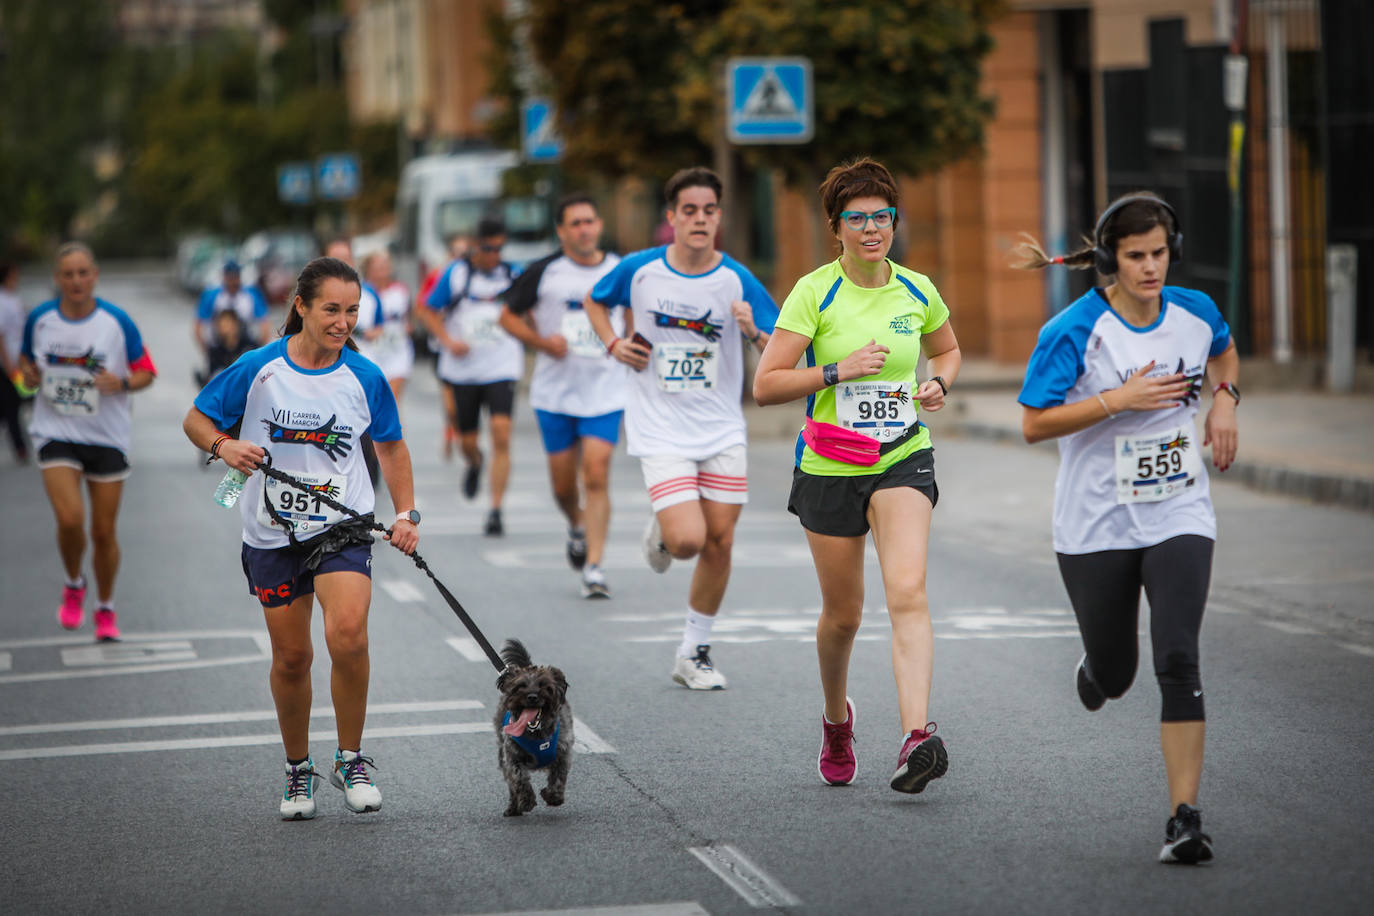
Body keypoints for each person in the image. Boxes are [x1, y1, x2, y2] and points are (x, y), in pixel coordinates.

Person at [1013, 192, 1239, 864]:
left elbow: (1224, 356)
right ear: (1113, 257)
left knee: (1177, 656)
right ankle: (1099, 669)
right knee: (1118, 675)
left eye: (1159, 254)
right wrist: (1119, 399)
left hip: (1179, 512)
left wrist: (1224, 402)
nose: (1150, 268)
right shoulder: (1075, 331)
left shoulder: (1196, 314)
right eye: (1136, 256)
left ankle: (1184, 818)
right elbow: (1032, 423)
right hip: (1096, 524)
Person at [183, 256, 421, 821]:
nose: (344, 322)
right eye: (332, 310)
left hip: (343, 524)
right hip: (272, 531)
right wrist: (224, 447)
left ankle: (350, 758)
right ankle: (297, 769)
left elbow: (390, 446)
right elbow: (195, 419)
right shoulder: (259, 367)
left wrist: (407, 513)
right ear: (302, 307)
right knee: (293, 657)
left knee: (348, 635)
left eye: (353, 310)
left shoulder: (365, 376)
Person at [753, 157, 961, 793]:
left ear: (894, 221)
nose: (872, 228)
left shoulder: (918, 289)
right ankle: (836, 720)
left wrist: (937, 383)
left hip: (901, 452)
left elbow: (948, 349)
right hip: (829, 465)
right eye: (857, 219)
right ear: (835, 227)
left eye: (882, 217)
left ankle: (916, 735)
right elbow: (765, 386)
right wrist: (836, 370)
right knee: (843, 616)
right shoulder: (815, 292)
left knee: (908, 589)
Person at [585, 166, 778, 689]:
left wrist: (751, 330)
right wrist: (613, 344)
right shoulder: (641, 270)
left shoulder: (737, 278)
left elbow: (781, 345)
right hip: (660, 425)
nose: (699, 219)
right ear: (670, 218)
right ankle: (669, 528)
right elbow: (595, 300)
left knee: (720, 543)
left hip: (721, 427)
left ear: (720, 216)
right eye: (688, 211)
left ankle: (693, 652)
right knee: (690, 541)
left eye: (709, 211)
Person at [19, 242, 158, 641]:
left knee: (102, 533)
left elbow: (148, 372)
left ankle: (106, 606)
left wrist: (124, 383)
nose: (76, 280)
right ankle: (74, 582)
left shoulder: (116, 322)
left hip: (107, 436)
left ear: (94, 275)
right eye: (68, 274)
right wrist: (25, 379)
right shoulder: (41, 320)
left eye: (83, 273)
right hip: (55, 431)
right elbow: (25, 368)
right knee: (70, 519)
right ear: (57, 278)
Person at [498, 194, 624, 598]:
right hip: (555, 394)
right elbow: (506, 315)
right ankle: (576, 523)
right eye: (575, 223)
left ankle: (595, 567)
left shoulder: (620, 269)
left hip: (606, 389)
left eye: (589, 221)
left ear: (599, 225)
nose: (584, 229)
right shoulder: (544, 271)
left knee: (598, 472)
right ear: (561, 231)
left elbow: (640, 313)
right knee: (564, 487)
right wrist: (540, 342)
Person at [419, 216, 521, 536]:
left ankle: (495, 510)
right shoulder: (457, 273)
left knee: (502, 433)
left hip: (502, 365)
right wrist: (448, 341)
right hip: (464, 371)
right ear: (477, 245)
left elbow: (530, 310)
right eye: (490, 249)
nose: (495, 256)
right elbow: (426, 310)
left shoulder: (512, 273)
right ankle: (475, 462)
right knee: (468, 441)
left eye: (500, 249)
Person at [324, 238, 383, 487]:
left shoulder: (369, 296)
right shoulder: (312, 298)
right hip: (326, 376)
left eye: (345, 258)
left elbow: (380, 325)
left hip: (361, 375)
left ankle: (368, 479)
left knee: (365, 433)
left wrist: (371, 333)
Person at [358, 249, 415, 405]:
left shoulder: (401, 290)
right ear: (368, 269)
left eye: (385, 265)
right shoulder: (360, 293)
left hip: (397, 351)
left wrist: (407, 328)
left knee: (392, 401)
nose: (382, 270)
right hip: (371, 352)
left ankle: (395, 429)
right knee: (375, 403)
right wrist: (367, 333)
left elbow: (408, 316)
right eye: (377, 266)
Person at [194, 260, 272, 353]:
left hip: (245, 343)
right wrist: (207, 350)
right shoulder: (212, 295)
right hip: (218, 344)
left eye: (235, 277)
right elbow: (198, 326)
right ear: (224, 277)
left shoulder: (251, 295)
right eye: (230, 277)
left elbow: (265, 325)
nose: (232, 281)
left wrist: (258, 351)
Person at [0, 260, 30, 462]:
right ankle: (20, 447)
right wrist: (8, 364)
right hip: (9, 364)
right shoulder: (2, 300)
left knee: (18, 401)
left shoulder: (12, 298)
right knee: (13, 404)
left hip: (18, 362)